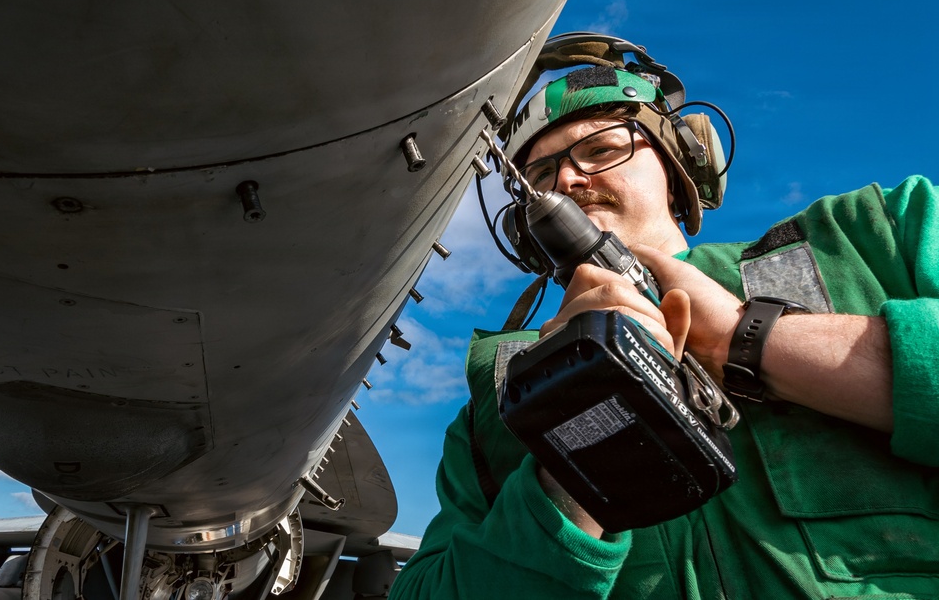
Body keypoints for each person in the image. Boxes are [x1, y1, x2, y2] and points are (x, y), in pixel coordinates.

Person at [389, 33, 939, 598]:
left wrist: (739, 335)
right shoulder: (498, 391)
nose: (568, 181)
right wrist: (578, 437)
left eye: (601, 150)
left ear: (681, 165)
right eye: (542, 177)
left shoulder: (870, 236)